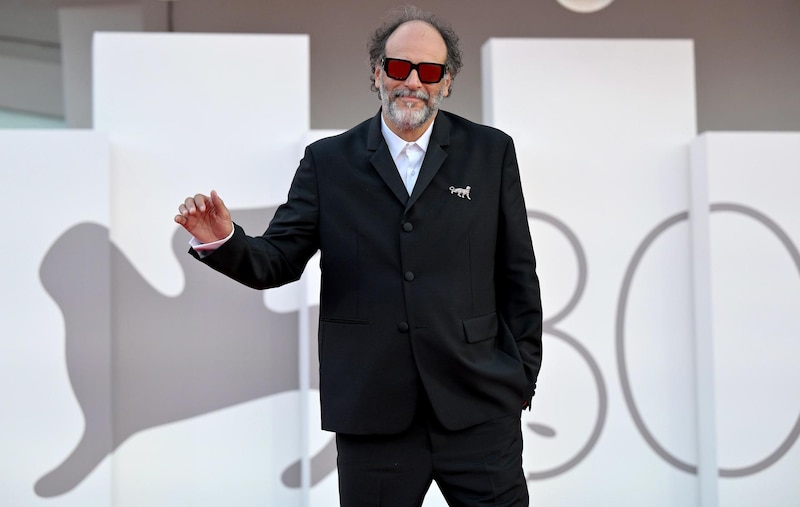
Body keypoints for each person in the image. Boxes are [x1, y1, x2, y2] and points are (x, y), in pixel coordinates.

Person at [175, 5, 542, 506]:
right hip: (374, 415)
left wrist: (522, 377)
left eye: (429, 71)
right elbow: (278, 259)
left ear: (447, 82)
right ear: (377, 73)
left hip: (478, 409)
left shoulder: (491, 152)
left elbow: (518, 274)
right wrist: (225, 240)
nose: (412, 81)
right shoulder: (328, 162)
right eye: (398, 67)